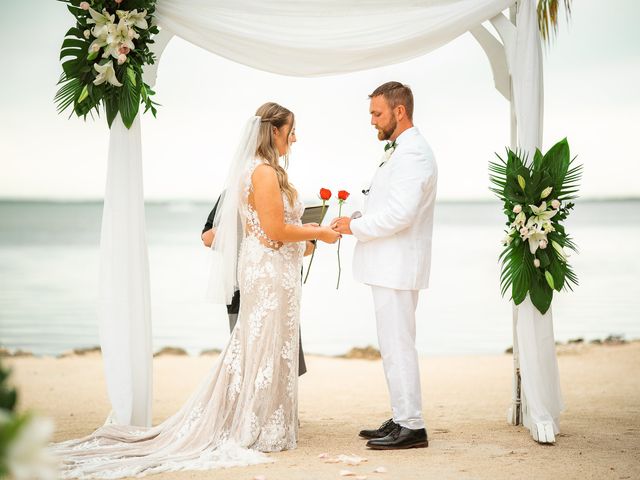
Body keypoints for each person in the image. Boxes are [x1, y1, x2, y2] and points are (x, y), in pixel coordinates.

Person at [50, 102, 340, 478]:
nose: (295, 138)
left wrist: (306, 241)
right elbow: (272, 230)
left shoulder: (261, 171)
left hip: (274, 269)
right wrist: (318, 232)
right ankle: (255, 424)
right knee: (261, 343)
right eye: (291, 130)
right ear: (274, 131)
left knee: (269, 343)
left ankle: (268, 419)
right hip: (267, 272)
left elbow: (266, 231)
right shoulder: (263, 172)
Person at [331, 82, 437, 450]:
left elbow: (402, 215)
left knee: (398, 345)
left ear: (399, 112)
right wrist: (361, 215)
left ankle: (412, 425)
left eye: (377, 114)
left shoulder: (413, 155)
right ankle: (401, 416)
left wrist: (355, 226)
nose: (373, 121)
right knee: (392, 345)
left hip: (397, 265)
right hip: (389, 264)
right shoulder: (400, 152)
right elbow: (389, 206)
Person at [201, 195, 310, 376]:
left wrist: (308, 235)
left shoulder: (283, 195)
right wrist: (246, 225)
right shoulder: (233, 193)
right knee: (245, 364)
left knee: (284, 364)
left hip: (281, 289)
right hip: (243, 289)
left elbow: (299, 246)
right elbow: (207, 238)